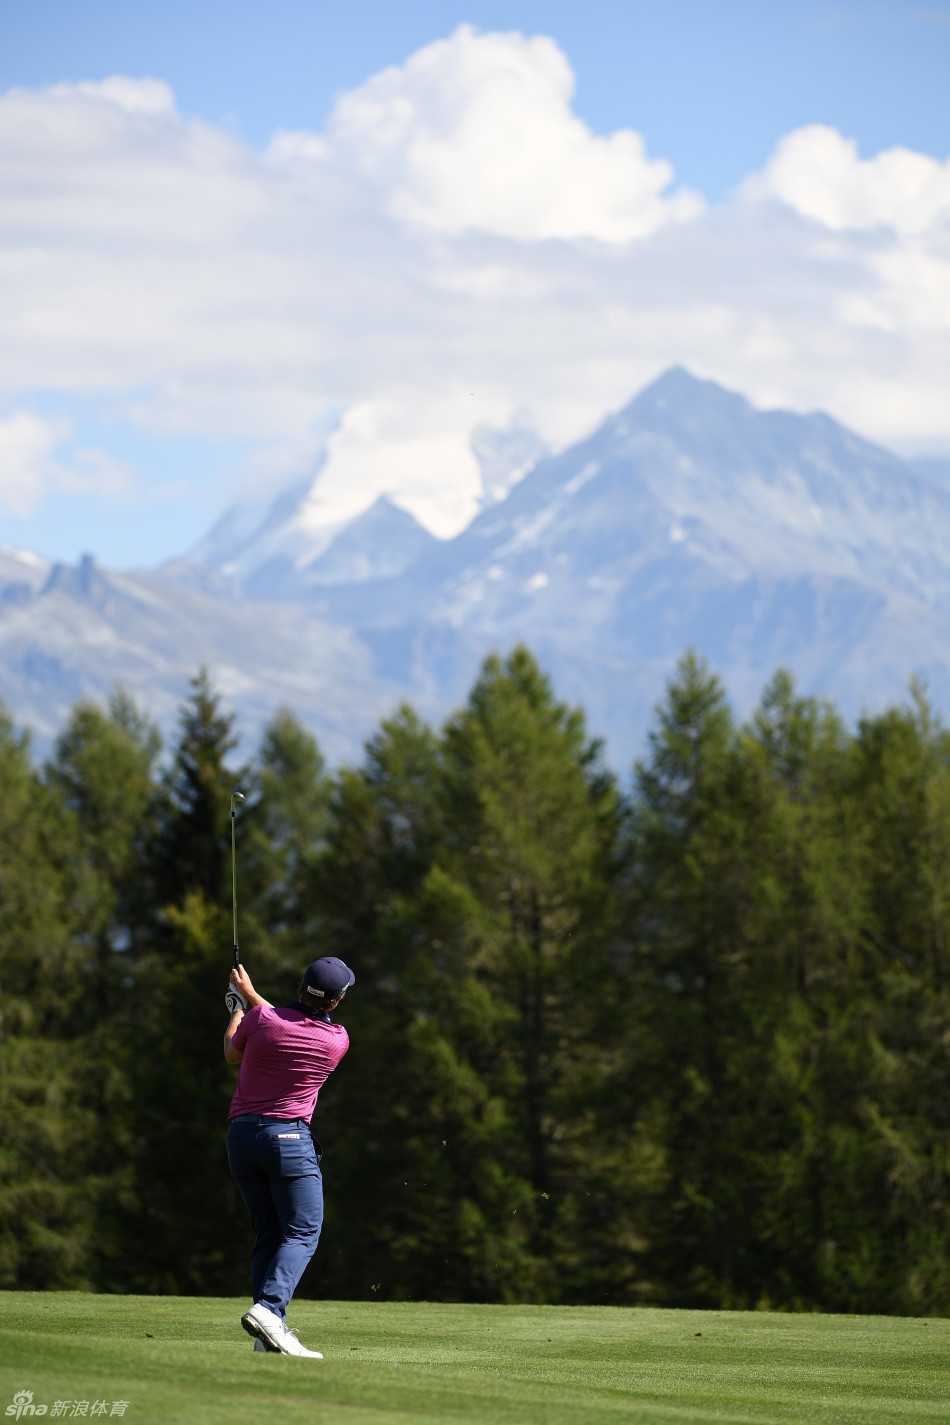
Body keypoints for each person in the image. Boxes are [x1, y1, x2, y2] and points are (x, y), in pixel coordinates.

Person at [223, 954, 355, 1358]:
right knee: (303, 1231)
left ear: (301, 987)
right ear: (336, 1000)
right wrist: (250, 997)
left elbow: (232, 1051)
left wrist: (238, 1005)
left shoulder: (261, 1020)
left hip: (242, 1137)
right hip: (290, 1141)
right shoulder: (337, 1040)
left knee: (269, 1232)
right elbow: (281, 1022)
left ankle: (267, 1334)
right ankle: (269, 1309)